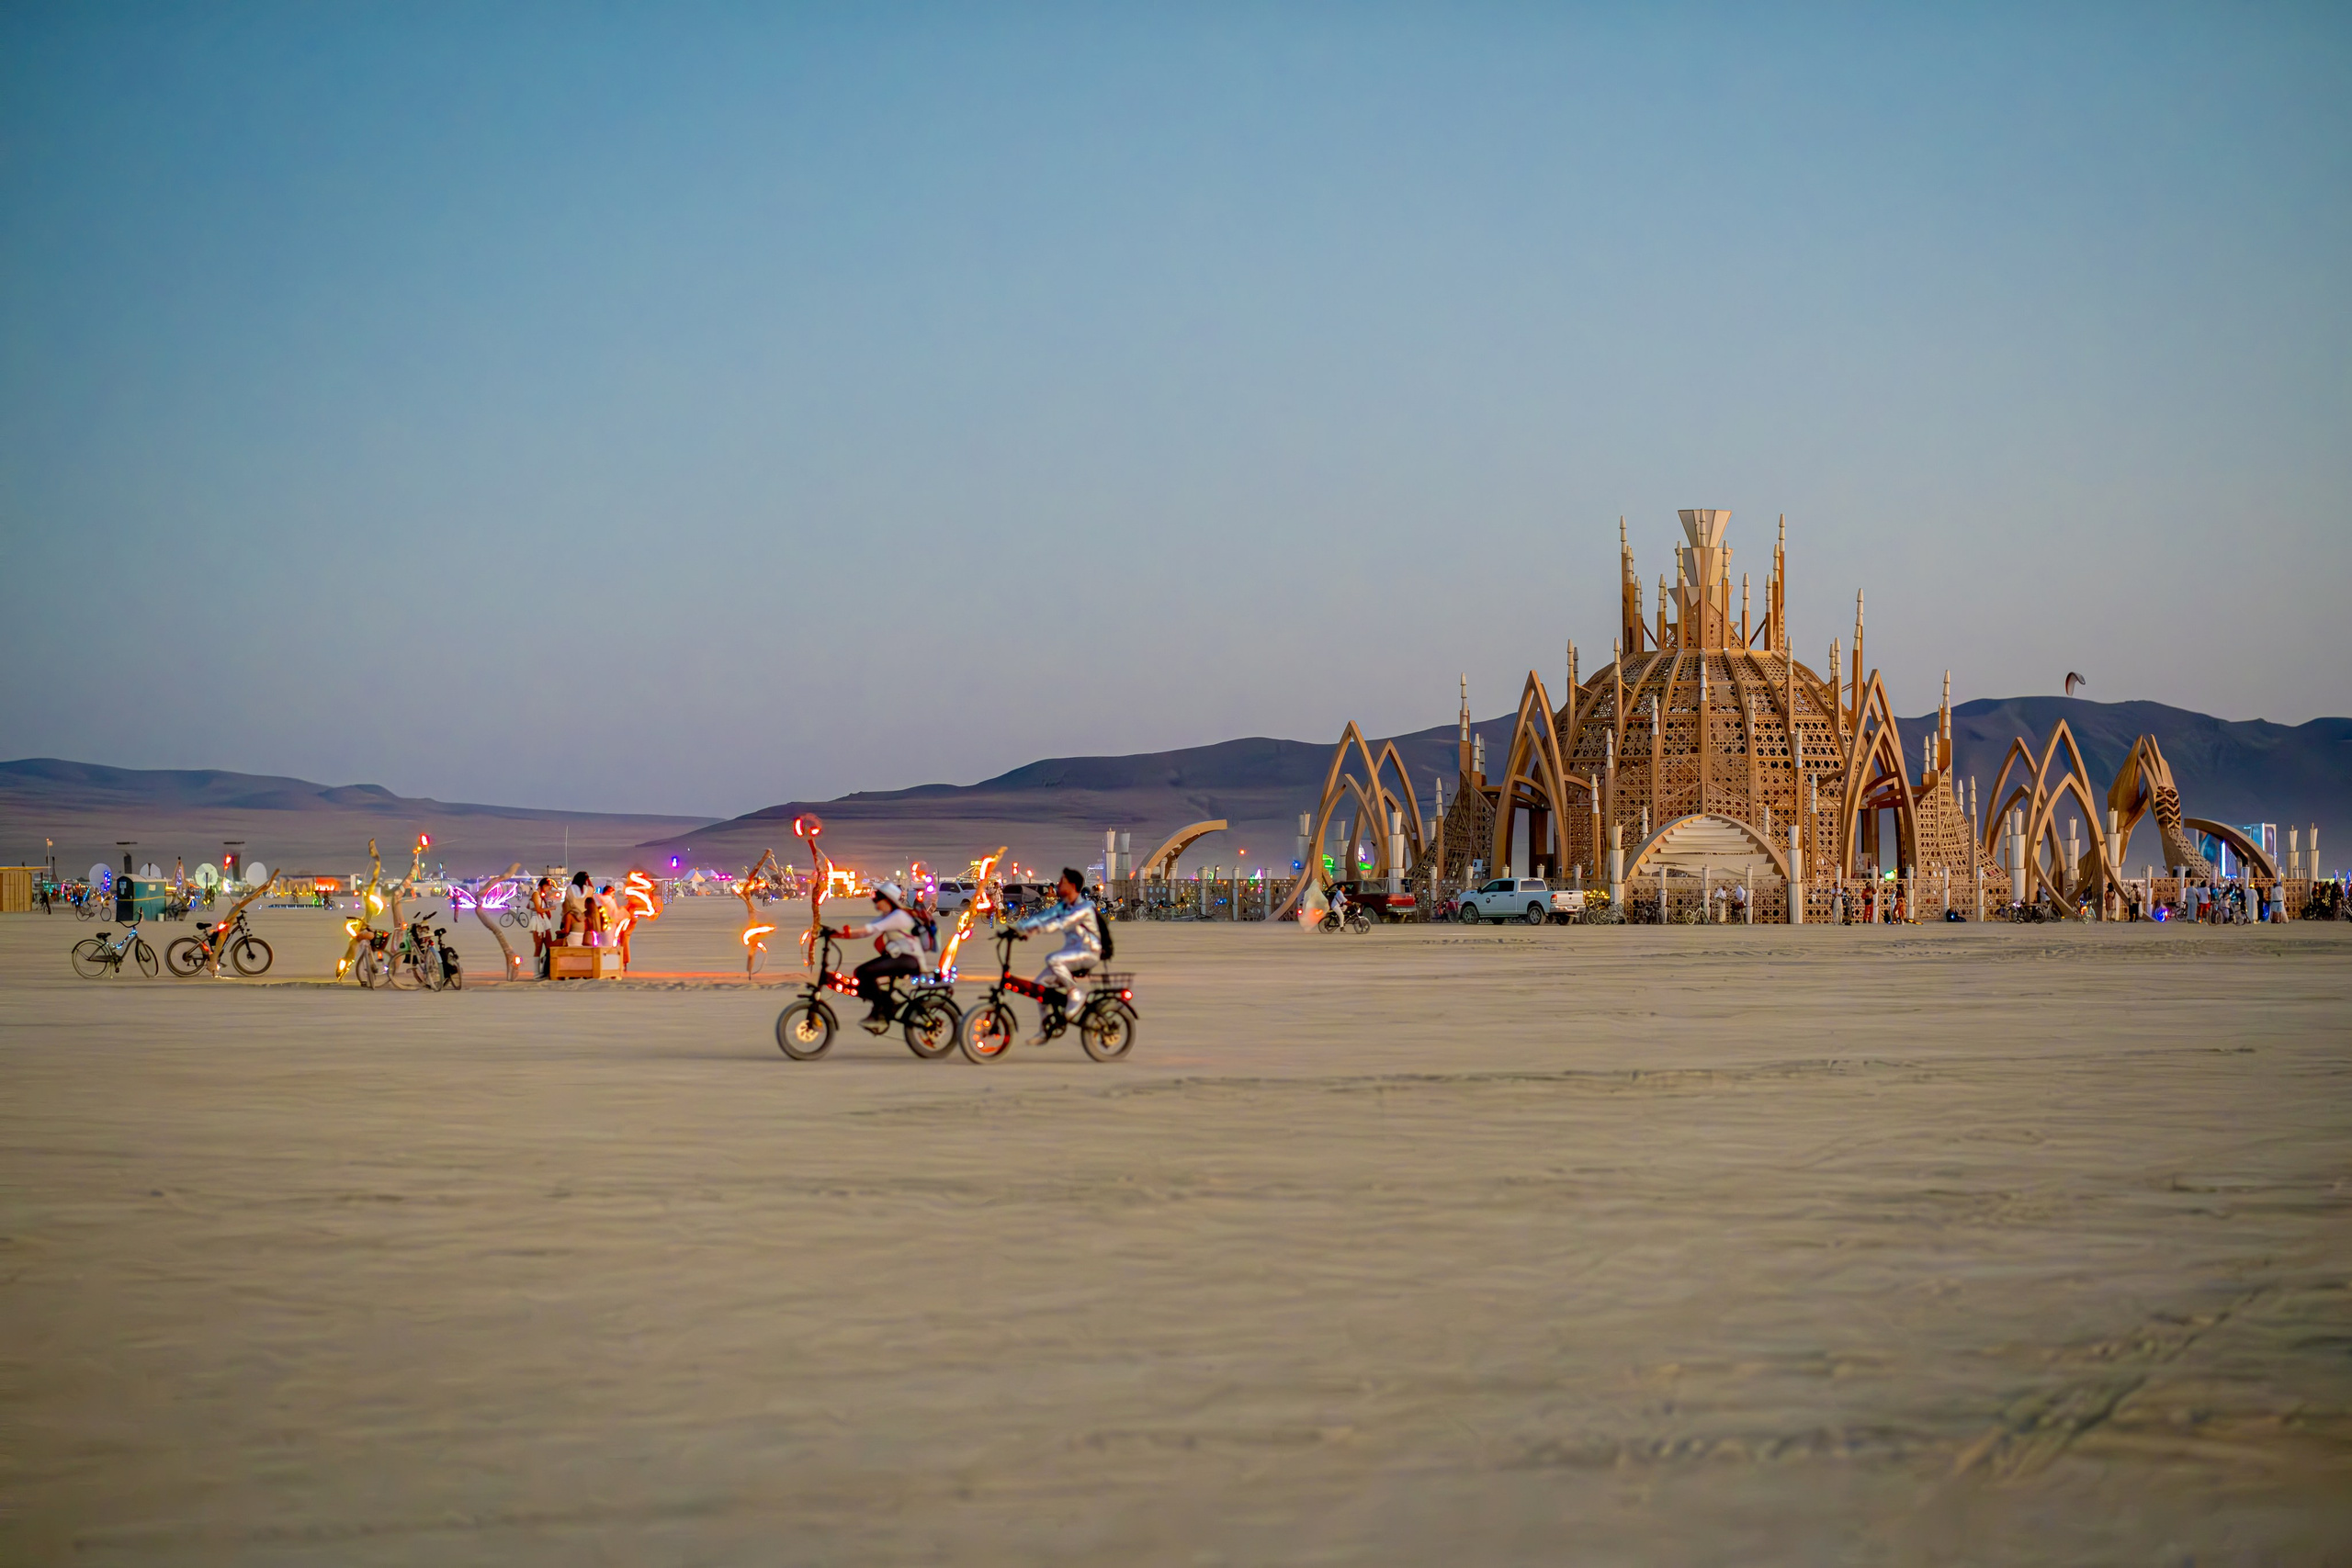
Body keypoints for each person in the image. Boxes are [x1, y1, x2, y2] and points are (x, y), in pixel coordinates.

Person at [1012, 867, 1102, 1044]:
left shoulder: (1084, 908)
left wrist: (1036, 930)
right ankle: (1046, 1030)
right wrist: (1019, 928)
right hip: (1072, 953)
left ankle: (1075, 994)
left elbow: (1060, 923)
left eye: (1063, 882)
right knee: (1039, 988)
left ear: (1073, 886)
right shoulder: (1064, 905)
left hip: (1088, 952)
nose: (1059, 885)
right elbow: (1045, 916)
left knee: (1053, 959)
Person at [831, 881, 923, 1033]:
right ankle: (884, 1005)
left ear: (888, 900)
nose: (875, 902)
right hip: (900, 957)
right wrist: (836, 935)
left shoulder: (898, 916)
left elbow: (872, 928)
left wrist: (845, 934)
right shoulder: (888, 915)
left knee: (864, 972)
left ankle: (882, 1010)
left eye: (877, 899)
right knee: (863, 975)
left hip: (909, 959)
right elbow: (865, 932)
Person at [529, 876, 556, 976]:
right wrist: (550, 909)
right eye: (548, 885)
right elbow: (538, 909)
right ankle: (536, 972)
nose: (549, 888)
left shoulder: (542, 896)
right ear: (542, 885)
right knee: (538, 947)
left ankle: (546, 969)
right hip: (538, 922)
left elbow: (532, 906)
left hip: (544, 921)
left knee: (549, 946)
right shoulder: (536, 894)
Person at [562, 872, 591, 946]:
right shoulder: (588, 890)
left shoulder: (569, 889)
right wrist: (588, 879)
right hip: (584, 919)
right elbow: (592, 889)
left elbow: (566, 903)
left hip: (572, 916)